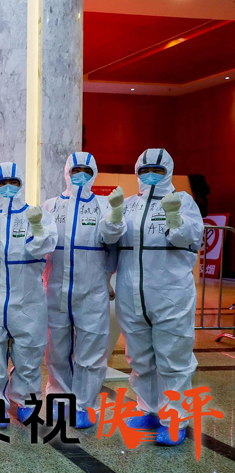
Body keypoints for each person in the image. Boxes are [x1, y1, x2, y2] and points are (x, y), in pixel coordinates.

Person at [108, 148, 203, 446]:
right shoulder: (128, 205)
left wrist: (174, 215)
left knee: (173, 359)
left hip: (170, 294)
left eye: (157, 171)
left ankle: (175, 418)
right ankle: (148, 408)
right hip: (131, 293)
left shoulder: (183, 201)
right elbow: (110, 242)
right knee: (140, 357)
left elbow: (189, 237)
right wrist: (113, 215)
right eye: (145, 170)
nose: (150, 175)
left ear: (169, 172)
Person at [42, 153, 126, 428]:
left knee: (91, 350)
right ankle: (59, 398)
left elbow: (113, 243)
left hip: (91, 290)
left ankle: (84, 405)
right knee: (57, 349)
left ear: (94, 173)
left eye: (86, 170)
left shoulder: (104, 205)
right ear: (66, 172)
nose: (80, 175)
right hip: (56, 288)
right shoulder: (50, 206)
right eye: (75, 170)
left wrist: (106, 277)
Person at [0, 162, 58, 426]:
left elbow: (46, 246)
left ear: (21, 184)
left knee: (29, 352)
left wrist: (37, 227)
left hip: (29, 299)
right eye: (2, 184)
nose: (8, 188)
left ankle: (26, 401)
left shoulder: (39, 216)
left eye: (13, 182)